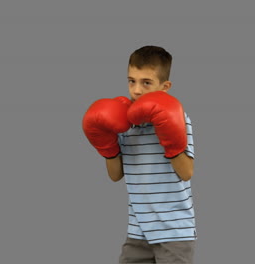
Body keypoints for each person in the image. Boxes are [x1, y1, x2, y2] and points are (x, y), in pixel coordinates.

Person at [83, 45, 196, 263]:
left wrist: (170, 136)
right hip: (138, 230)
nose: (136, 90)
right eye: (131, 81)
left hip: (174, 231)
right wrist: (107, 146)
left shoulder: (178, 117)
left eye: (146, 83)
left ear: (165, 87)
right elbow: (115, 175)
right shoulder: (124, 123)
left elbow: (187, 172)